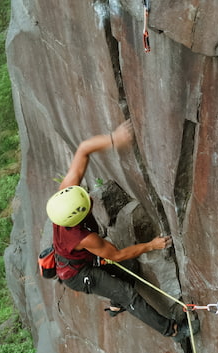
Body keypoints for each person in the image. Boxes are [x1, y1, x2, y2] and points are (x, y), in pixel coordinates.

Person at [46, 120, 196, 341]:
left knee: (130, 267)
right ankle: (172, 330)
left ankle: (115, 302)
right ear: (76, 215)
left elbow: (83, 150)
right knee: (129, 295)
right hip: (78, 273)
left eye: (82, 192)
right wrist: (151, 245)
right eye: (84, 199)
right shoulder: (82, 238)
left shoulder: (65, 198)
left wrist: (114, 139)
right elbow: (116, 254)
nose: (87, 194)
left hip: (78, 259)